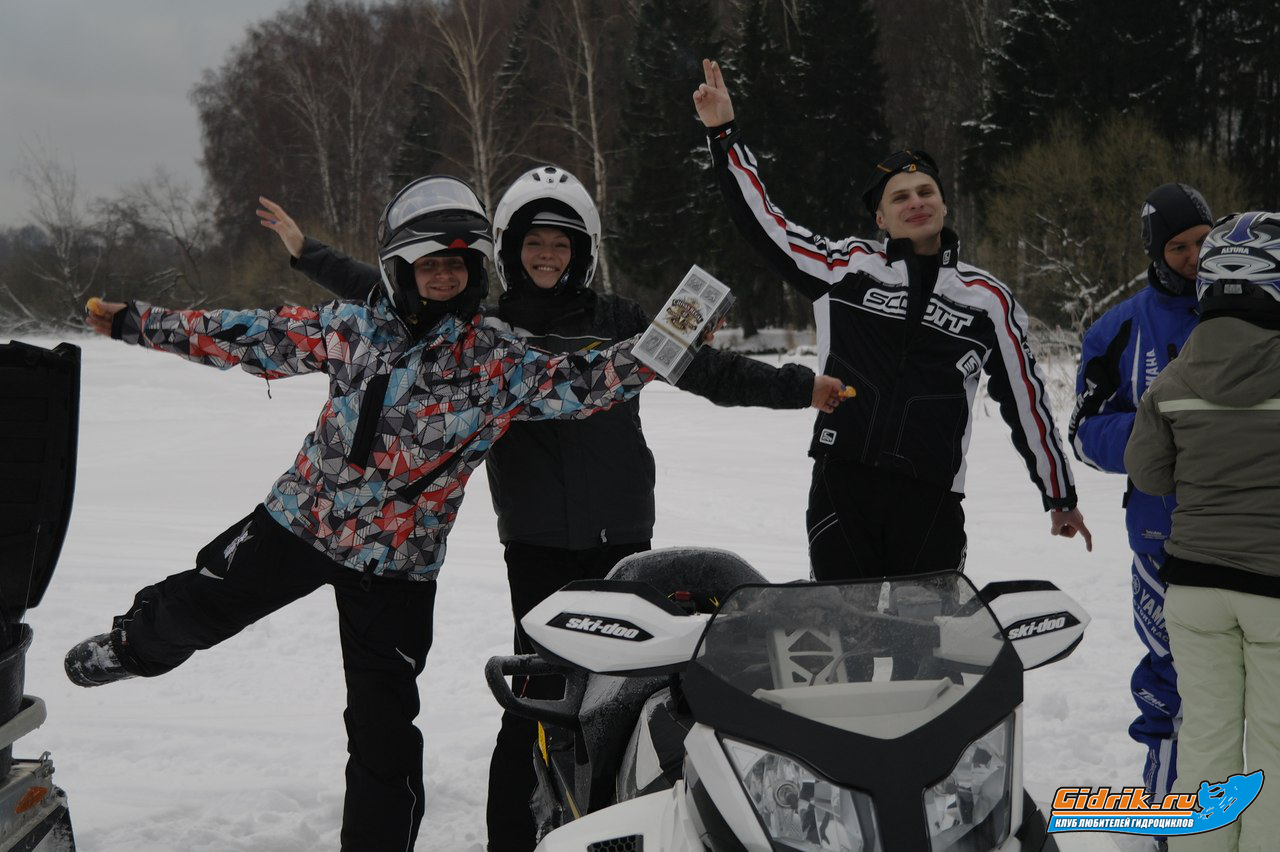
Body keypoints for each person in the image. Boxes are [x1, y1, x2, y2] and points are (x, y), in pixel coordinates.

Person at [63, 175, 661, 852]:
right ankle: (131, 647)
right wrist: (138, 322)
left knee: (384, 733)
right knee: (194, 607)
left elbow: (591, 380)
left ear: (474, 273)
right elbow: (244, 334)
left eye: (457, 264)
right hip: (299, 525)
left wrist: (674, 341)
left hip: (398, 571)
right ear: (402, 269)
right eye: (429, 264)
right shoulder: (353, 327)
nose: (443, 276)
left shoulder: (497, 362)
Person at [258, 164, 845, 851]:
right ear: (510, 250)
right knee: (538, 698)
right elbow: (383, 289)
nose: (546, 255)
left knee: (625, 693)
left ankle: (614, 826)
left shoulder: (619, 320)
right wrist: (308, 253)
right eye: (534, 243)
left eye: (560, 244)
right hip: (536, 541)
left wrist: (800, 388)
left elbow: (710, 371)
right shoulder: (483, 326)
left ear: (582, 250)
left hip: (624, 536)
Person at [691, 59, 1091, 580]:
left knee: (926, 630)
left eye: (926, 192)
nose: (916, 202)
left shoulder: (987, 298)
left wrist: (1059, 495)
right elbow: (766, 225)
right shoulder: (845, 267)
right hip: (843, 483)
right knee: (842, 623)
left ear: (944, 205)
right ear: (880, 218)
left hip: (931, 497)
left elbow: (1026, 398)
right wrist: (724, 133)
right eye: (900, 197)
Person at [1125, 211, 1280, 852]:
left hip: (1193, 589)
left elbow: (1148, 473)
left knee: (1206, 742)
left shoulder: (1174, 376)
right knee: (1275, 749)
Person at [1070, 183, 1213, 811]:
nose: (1195, 257)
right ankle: (1169, 817)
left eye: (1204, 241)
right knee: (1172, 680)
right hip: (1163, 535)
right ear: (1155, 252)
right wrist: (1163, 430)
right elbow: (1083, 432)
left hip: (1254, 529)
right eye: (1179, 247)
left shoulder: (1258, 309)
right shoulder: (1119, 327)